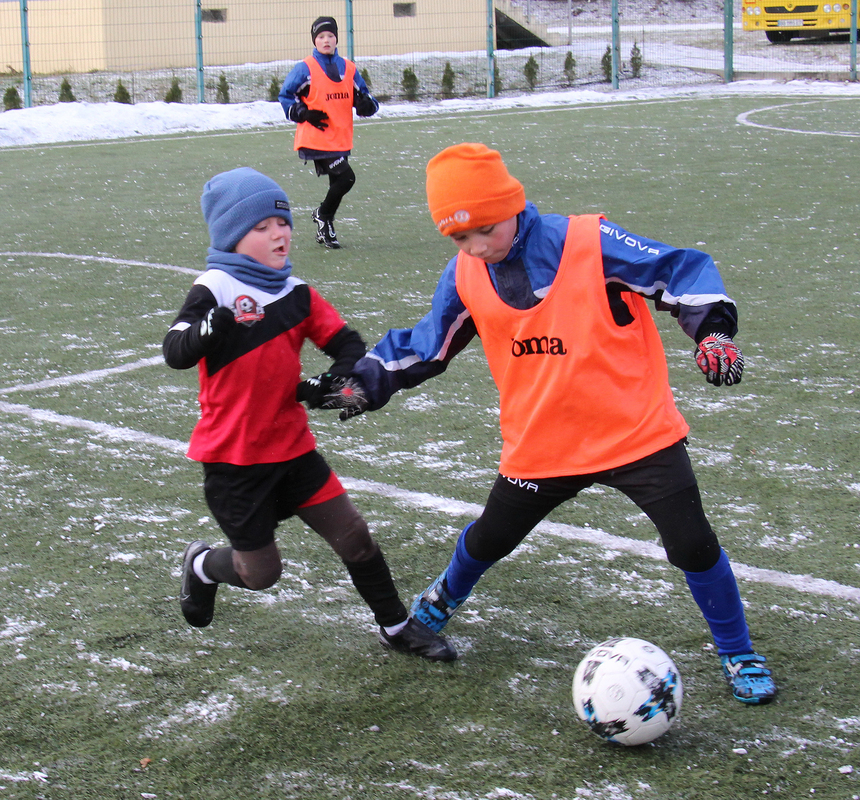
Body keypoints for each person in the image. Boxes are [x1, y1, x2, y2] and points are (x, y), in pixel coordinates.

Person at [314, 142, 778, 704]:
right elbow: (425, 346)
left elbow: (678, 270)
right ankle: (440, 601)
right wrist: (364, 382)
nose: (476, 246)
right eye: (459, 237)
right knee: (490, 537)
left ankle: (737, 651)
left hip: (636, 433)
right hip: (543, 442)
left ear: (512, 204)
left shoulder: (587, 241)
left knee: (694, 544)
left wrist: (713, 331)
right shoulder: (465, 274)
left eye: (484, 228)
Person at [162, 166, 455, 663]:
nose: (279, 233)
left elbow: (346, 342)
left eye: (283, 222)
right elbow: (175, 350)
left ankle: (396, 626)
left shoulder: (295, 291)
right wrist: (207, 328)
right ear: (233, 237)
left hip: (294, 451)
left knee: (355, 538)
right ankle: (203, 567)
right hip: (235, 464)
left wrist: (334, 382)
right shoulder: (215, 287)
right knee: (262, 574)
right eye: (261, 228)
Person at [278, 16, 378, 249]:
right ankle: (322, 214)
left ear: (336, 39)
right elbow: (285, 95)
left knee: (338, 182)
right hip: (316, 138)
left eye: (330, 36)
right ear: (314, 40)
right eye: (321, 36)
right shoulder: (305, 68)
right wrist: (302, 112)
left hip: (340, 137)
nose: (326, 40)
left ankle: (326, 228)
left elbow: (365, 97)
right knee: (346, 178)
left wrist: (366, 106)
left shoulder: (349, 67)